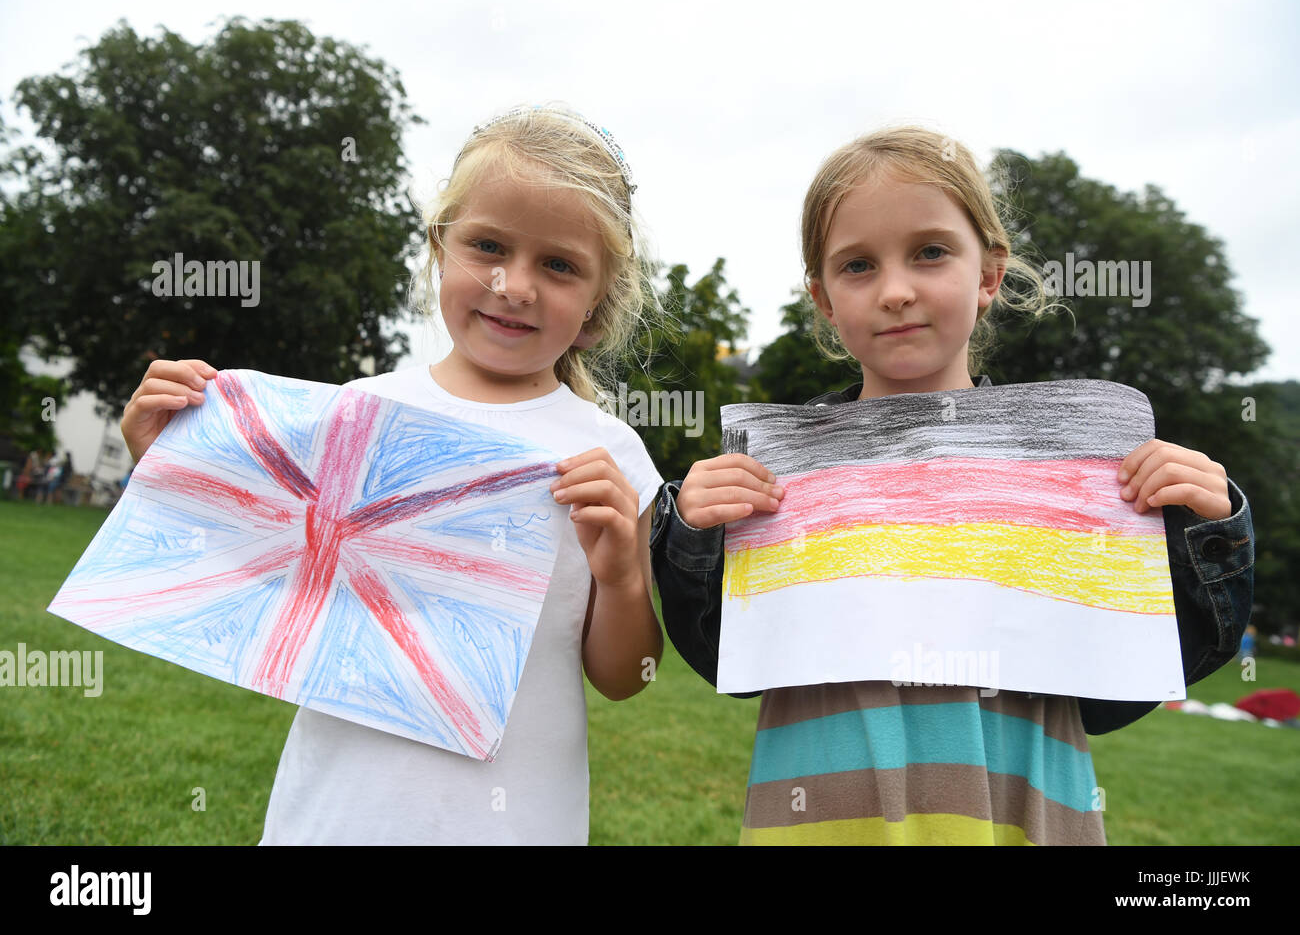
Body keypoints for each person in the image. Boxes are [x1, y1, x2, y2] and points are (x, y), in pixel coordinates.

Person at [650, 126, 1255, 845]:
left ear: (990, 275)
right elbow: (732, 662)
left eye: (930, 252)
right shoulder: (778, 478)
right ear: (823, 299)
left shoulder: (1079, 473)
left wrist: (1209, 531)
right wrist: (689, 535)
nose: (896, 290)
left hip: (1020, 817)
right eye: (857, 266)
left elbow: (1117, 693)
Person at [119, 105, 665, 844]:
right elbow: (261, 580)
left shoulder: (612, 456)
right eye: (488, 245)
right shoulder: (359, 411)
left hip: (515, 821)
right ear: (441, 248)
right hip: (341, 812)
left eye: (559, 265)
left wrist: (623, 579)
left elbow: (625, 676)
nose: (514, 285)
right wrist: (169, 465)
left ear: (600, 299)